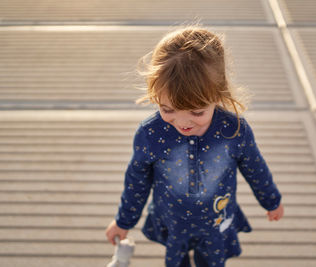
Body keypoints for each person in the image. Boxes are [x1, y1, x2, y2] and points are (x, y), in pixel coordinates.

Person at [105, 25, 284, 267]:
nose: (182, 121)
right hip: (173, 222)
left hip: (215, 223)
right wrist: (124, 221)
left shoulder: (233, 131)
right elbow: (136, 181)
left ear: (218, 95)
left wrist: (271, 200)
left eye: (197, 112)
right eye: (167, 109)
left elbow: (255, 167)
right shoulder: (150, 134)